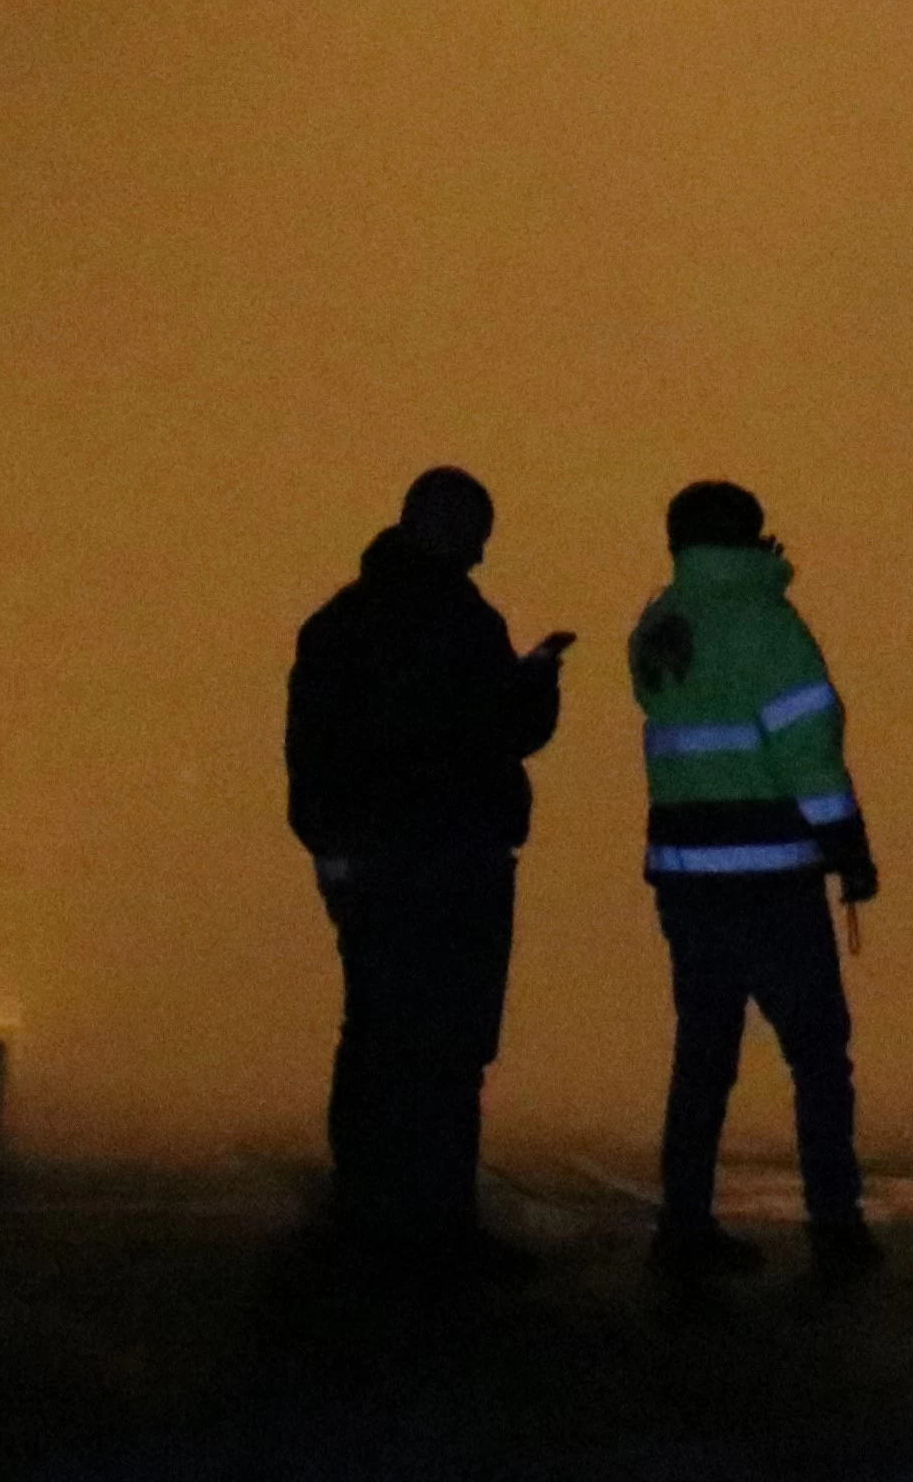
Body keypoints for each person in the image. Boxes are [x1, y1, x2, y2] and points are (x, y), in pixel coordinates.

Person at [284, 466, 574, 1258]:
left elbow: (311, 754)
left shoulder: (338, 625)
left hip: (375, 863)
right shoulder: (468, 623)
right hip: (463, 859)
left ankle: (365, 1206)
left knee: (375, 1031)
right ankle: (440, 1217)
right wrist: (539, 679)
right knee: (452, 1046)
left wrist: (331, 852)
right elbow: (508, 730)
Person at [633, 477, 875, 1282]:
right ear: (752, 537)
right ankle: (836, 1225)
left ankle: (685, 1222)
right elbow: (809, 749)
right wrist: (848, 844)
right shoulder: (768, 625)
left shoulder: (661, 622)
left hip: (685, 876)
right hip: (771, 875)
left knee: (704, 1053)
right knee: (817, 1054)